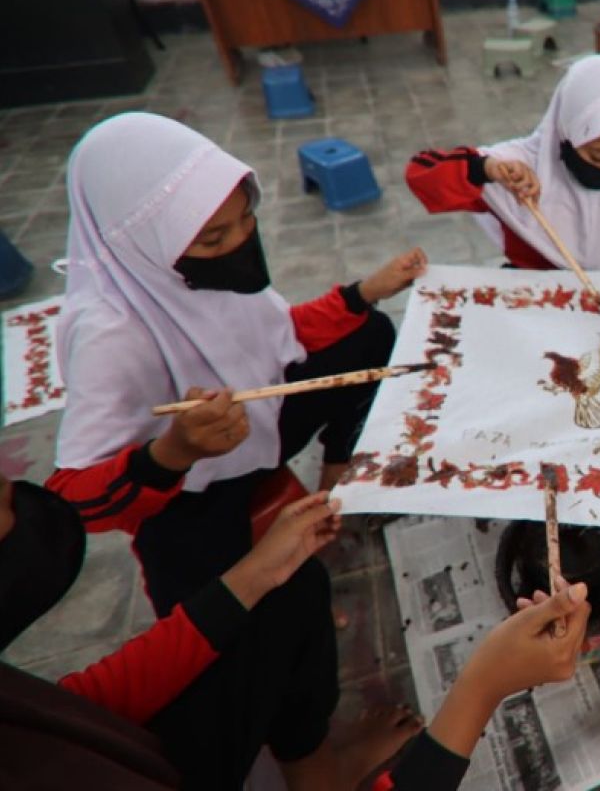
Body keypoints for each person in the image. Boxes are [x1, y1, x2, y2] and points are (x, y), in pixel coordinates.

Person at [46, 112, 425, 621]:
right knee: (226, 611)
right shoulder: (110, 336)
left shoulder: (201, 272)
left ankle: (339, 468)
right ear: (140, 240)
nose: (239, 243)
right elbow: (71, 500)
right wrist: (173, 452)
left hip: (259, 424)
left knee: (370, 332)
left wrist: (362, 294)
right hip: (195, 486)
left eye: (247, 220)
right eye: (213, 240)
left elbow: (278, 335)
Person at [0, 474, 591, 790]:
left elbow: (79, 708)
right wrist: (479, 689)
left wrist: (256, 574)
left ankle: (319, 777)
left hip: (130, 753)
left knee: (289, 590)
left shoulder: (31, 724)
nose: (18, 496)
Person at [405, 55, 600, 274]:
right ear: (567, 132)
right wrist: (485, 169)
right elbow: (419, 174)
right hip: (542, 304)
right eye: (598, 157)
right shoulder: (516, 169)